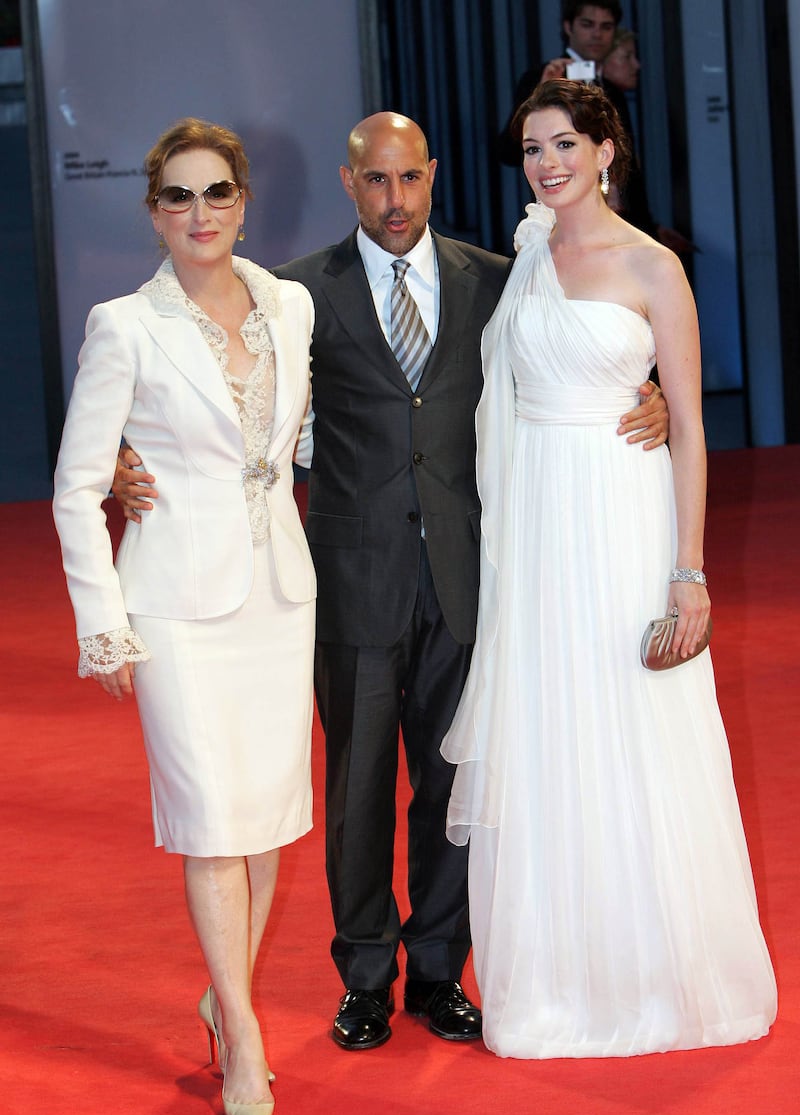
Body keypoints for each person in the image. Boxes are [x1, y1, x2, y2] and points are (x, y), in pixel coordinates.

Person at [113, 111, 669, 1054]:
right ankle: (365, 975)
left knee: (453, 780)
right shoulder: (291, 294)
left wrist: (641, 394)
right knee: (359, 786)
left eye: (410, 180)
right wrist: (129, 450)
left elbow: (566, 351)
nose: (395, 199)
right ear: (347, 181)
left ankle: (441, 970)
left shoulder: (495, 280)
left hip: (469, 571)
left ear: (432, 175)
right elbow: (199, 370)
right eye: (376, 181)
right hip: (346, 578)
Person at [442, 80, 777, 1059]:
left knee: (636, 723)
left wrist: (687, 570)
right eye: (529, 149)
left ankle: (661, 976)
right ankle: (553, 980)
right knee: (549, 728)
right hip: (535, 526)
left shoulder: (652, 265)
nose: (544, 163)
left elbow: (690, 427)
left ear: (603, 151)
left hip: (623, 516)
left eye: (561, 145)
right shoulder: (524, 254)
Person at [53, 118, 316, 1115]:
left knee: (264, 816)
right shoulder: (125, 325)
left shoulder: (288, 305)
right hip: (173, 601)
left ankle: (223, 992)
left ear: (243, 202)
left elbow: (297, 437)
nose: (199, 213)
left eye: (216, 193)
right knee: (210, 815)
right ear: (152, 212)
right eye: (178, 197)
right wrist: (103, 624)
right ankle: (244, 1034)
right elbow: (77, 488)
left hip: (277, 595)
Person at [498, 3, 691, 252]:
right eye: (587, 25)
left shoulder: (610, 88)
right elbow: (508, 151)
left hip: (619, 222)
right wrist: (542, 93)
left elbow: (627, 165)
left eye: (606, 27)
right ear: (569, 27)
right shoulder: (540, 78)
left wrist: (647, 227)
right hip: (560, 225)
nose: (597, 34)